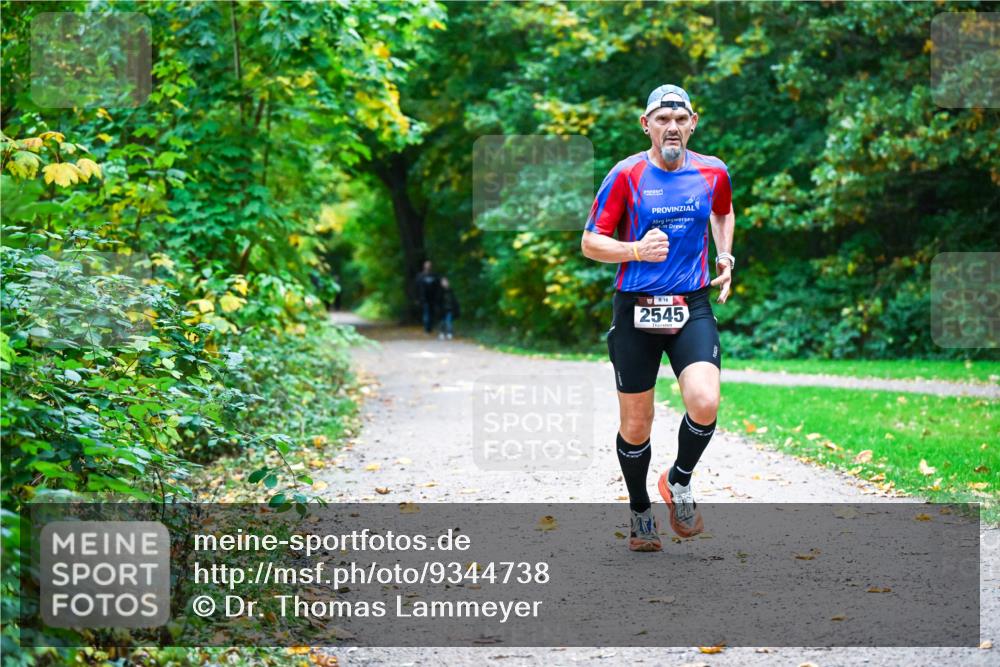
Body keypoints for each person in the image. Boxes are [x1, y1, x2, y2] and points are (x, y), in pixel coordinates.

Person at [580, 84, 735, 552]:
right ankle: (640, 510)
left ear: (693, 123)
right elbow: (590, 243)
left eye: (679, 118)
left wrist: (725, 255)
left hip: (692, 303)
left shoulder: (713, 171)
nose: (672, 126)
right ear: (645, 124)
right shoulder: (625, 174)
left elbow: (724, 213)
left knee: (705, 401)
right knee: (636, 425)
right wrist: (634, 250)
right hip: (635, 307)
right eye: (661, 118)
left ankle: (679, 481)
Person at [414, 260, 440, 334]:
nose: (428, 266)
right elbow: (416, 288)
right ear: (424, 266)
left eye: (429, 265)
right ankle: (427, 329)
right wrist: (417, 298)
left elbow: (438, 287)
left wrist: (438, 297)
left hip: (433, 298)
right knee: (426, 313)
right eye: (427, 265)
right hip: (424, 299)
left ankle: (430, 327)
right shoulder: (420, 276)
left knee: (432, 313)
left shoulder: (435, 276)